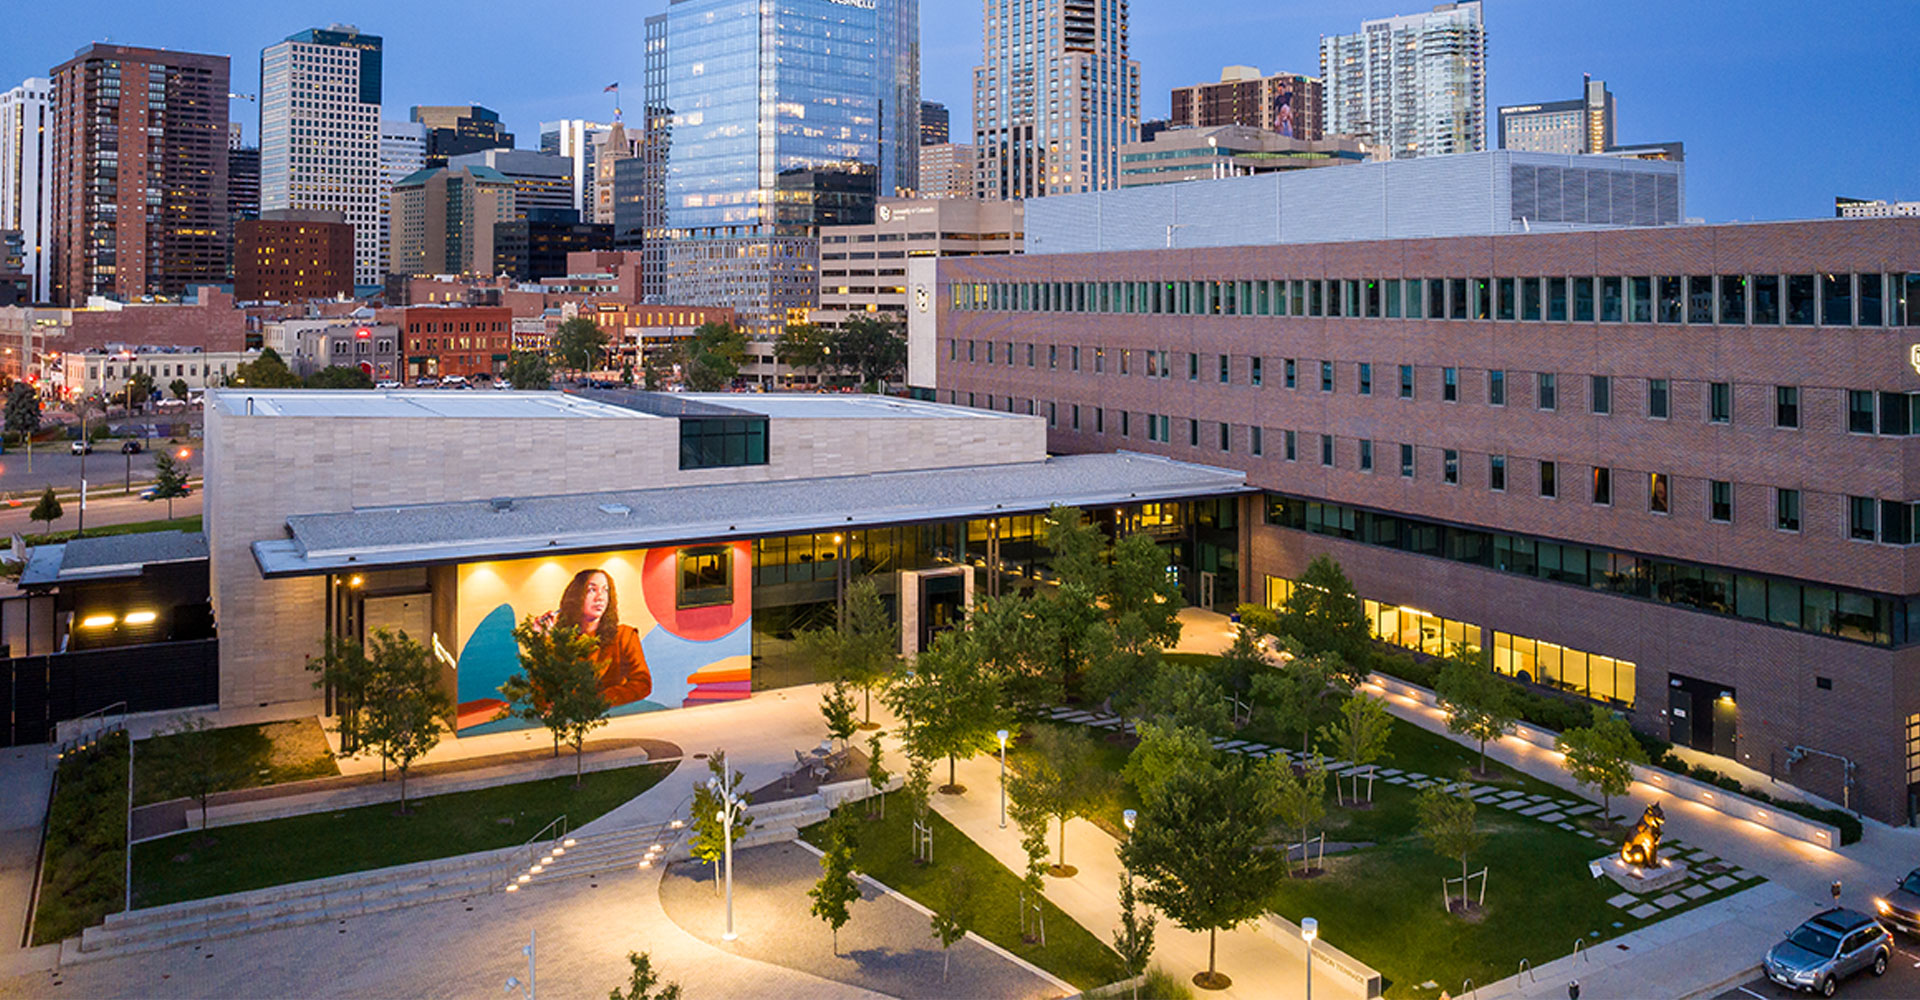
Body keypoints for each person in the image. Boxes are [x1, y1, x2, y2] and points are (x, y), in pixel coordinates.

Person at [536, 568, 652, 706]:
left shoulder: (624, 636)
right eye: (592, 590)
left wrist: (597, 701)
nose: (600, 597)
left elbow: (642, 684)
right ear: (576, 597)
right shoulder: (560, 641)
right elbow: (542, 694)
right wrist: (542, 640)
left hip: (612, 714)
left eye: (605, 590)